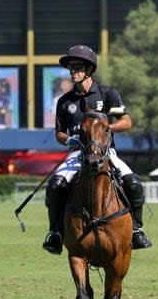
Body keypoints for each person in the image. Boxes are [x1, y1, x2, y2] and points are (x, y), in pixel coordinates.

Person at [42, 44, 152, 255]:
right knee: (55, 184)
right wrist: (69, 141)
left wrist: (105, 129)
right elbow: (59, 132)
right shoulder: (65, 102)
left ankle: (137, 229)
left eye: (78, 67)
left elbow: (127, 121)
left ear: (89, 70)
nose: (73, 71)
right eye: (71, 67)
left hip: (105, 152)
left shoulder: (107, 94)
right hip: (77, 154)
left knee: (133, 182)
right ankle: (55, 232)